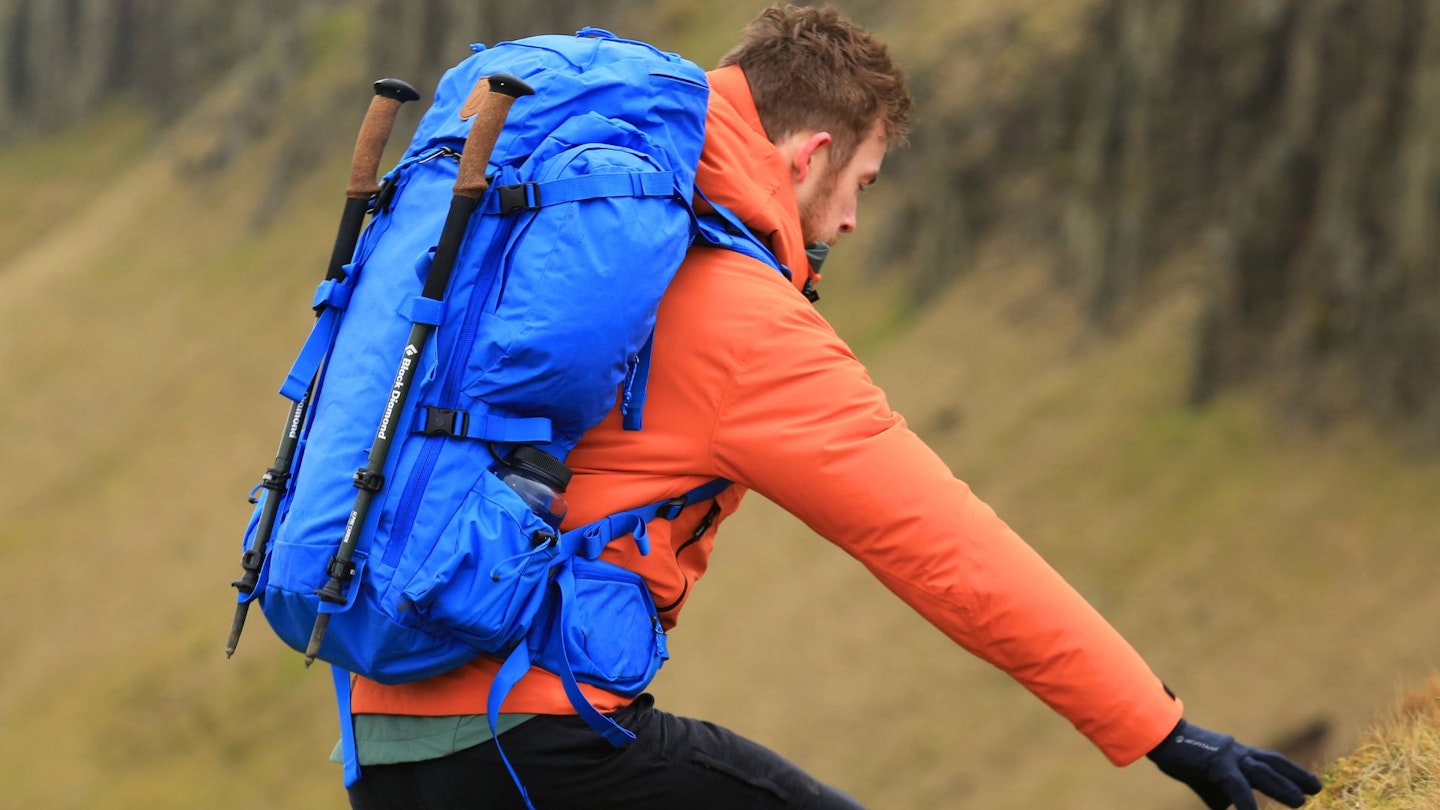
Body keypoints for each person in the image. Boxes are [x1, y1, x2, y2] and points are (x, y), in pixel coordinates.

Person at [342, 5, 1324, 809]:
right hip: (542, 743)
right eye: (860, 182)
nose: (851, 219)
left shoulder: (532, 246)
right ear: (809, 156)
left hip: (385, 745)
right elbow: (942, 546)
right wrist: (1159, 728)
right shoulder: (733, 308)